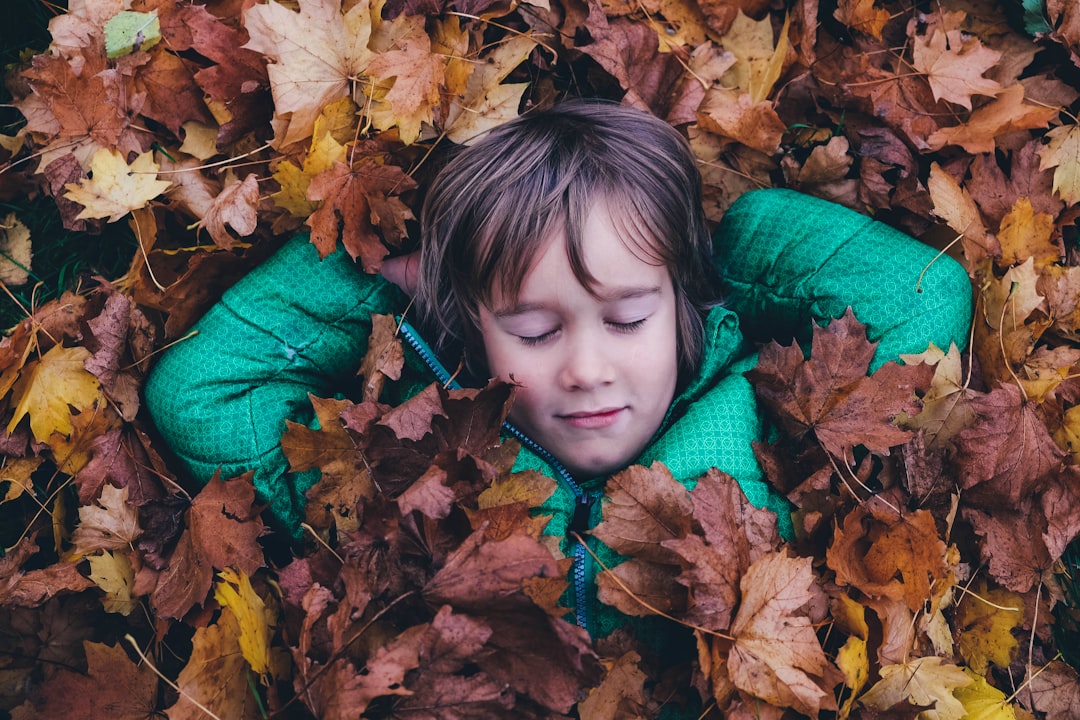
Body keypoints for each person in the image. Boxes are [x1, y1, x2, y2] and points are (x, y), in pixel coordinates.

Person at [143, 100, 973, 644]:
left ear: (681, 302)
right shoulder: (403, 465)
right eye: (535, 329)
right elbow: (200, 390)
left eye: (627, 317)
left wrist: (725, 249)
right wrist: (384, 272)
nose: (587, 368)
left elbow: (924, 294)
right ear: (474, 330)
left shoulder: (769, 419)